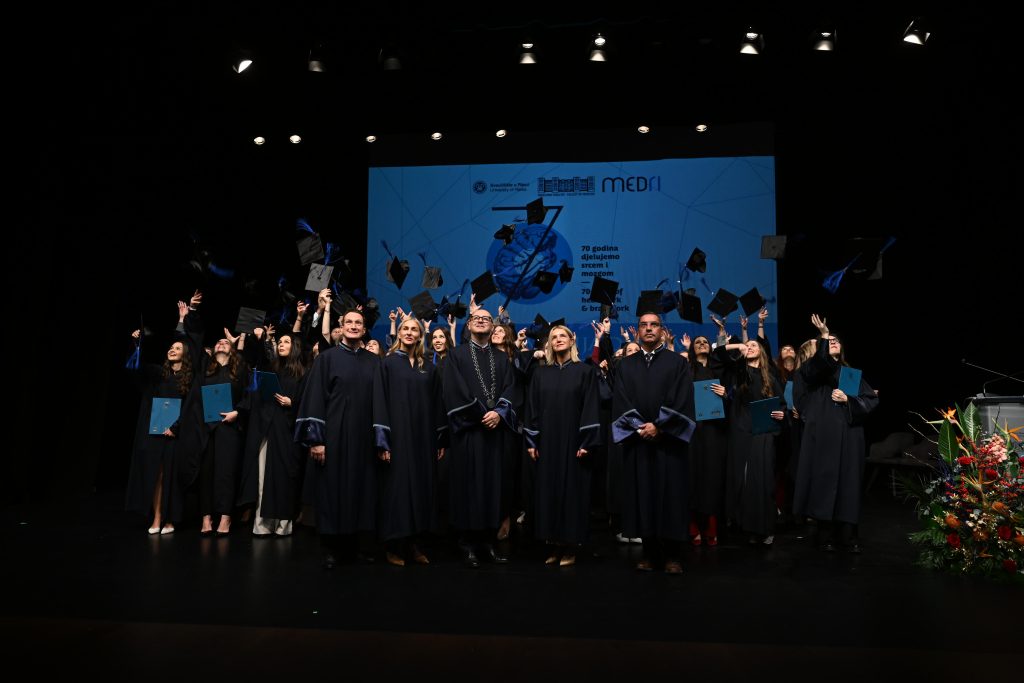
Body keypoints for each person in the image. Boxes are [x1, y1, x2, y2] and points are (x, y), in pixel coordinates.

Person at [611, 311, 696, 574]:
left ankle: (673, 556)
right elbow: (621, 399)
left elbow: (681, 398)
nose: (649, 329)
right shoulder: (625, 365)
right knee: (642, 495)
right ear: (637, 330)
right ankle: (649, 553)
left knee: (672, 496)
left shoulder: (677, 363)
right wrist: (640, 427)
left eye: (654, 325)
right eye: (644, 325)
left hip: (669, 443)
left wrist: (659, 427)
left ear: (662, 330)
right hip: (638, 442)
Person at [295, 308, 380, 568]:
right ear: (341, 327)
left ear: (364, 329)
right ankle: (331, 547)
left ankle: (358, 545)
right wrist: (317, 440)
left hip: (364, 437)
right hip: (334, 436)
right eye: (349, 322)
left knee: (362, 490)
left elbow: (380, 402)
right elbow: (315, 399)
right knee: (333, 490)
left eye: (358, 323)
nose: (353, 326)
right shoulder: (326, 359)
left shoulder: (374, 361)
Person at [793, 314, 879, 552]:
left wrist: (848, 400)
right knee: (825, 479)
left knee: (848, 482)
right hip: (824, 433)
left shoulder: (849, 373)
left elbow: (870, 400)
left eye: (836, 340)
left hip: (850, 433)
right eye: (828, 341)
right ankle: (824, 535)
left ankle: (848, 536)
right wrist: (823, 334)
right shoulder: (812, 371)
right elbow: (815, 370)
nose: (833, 342)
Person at [442, 307, 518, 567]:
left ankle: (487, 542)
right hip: (469, 432)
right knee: (468, 486)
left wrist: (499, 413)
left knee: (492, 486)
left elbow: (511, 388)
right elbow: (453, 390)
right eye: (477, 318)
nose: (482, 321)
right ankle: (467, 544)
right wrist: (481, 414)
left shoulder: (502, 357)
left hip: (494, 434)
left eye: (487, 319)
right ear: (469, 324)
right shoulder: (456, 355)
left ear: (492, 326)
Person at [125, 293, 203, 534]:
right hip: (158, 431)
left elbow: (190, 407)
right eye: (171, 347)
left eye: (177, 348)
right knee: (157, 476)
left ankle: (170, 518)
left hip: (178, 432)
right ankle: (157, 518)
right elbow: (136, 369)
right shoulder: (160, 374)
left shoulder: (189, 379)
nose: (172, 349)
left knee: (172, 476)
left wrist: (185, 318)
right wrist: (137, 344)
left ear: (185, 354)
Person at [524, 325, 601, 566]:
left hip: (574, 441)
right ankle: (555, 544)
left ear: (572, 340)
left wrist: (586, 441)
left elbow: (591, 406)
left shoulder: (584, 371)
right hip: (548, 441)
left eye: (562, 336)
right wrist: (532, 440)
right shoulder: (540, 373)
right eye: (554, 337)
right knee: (549, 490)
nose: (558, 340)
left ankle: (571, 546)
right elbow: (532, 407)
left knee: (572, 492)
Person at [373, 316, 447, 565]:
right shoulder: (388, 364)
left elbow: (438, 404)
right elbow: (380, 401)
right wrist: (383, 441)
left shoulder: (429, 368)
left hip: (423, 439)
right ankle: (393, 546)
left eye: (414, 329)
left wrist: (439, 440)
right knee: (398, 491)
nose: (409, 332)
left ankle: (415, 544)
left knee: (421, 489)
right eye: (405, 328)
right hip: (398, 438)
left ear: (420, 336)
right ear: (399, 333)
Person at [237, 328, 308, 537]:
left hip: (287, 431)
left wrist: (292, 403)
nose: (282, 345)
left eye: (287, 342)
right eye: (281, 342)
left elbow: (307, 402)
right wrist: (260, 339)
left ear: (294, 347)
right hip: (267, 428)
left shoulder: (302, 374)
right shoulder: (271, 370)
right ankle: (262, 524)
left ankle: (283, 524)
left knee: (284, 477)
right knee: (263, 477)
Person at [680, 333, 729, 547]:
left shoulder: (720, 371)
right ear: (692, 348)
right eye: (697, 342)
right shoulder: (686, 369)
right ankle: (693, 528)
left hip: (714, 431)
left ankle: (711, 528)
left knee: (712, 478)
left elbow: (733, 401)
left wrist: (725, 395)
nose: (701, 344)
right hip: (692, 430)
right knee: (692, 477)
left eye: (705, 342)